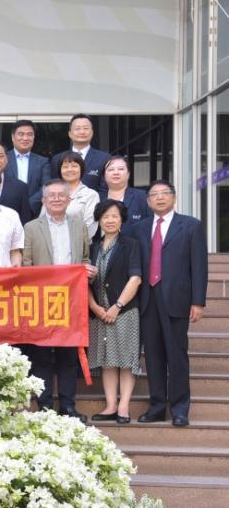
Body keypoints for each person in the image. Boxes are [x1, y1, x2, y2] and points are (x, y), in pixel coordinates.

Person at [136, 181, 207, 427]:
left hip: (177, 298)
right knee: (153, 355)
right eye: (154, 195)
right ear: (148, 201)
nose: (160, 198)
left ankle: (180, 409)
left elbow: (199, 265)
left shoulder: (191, 225)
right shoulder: (138, 228)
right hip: (147, 298)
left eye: (165, 193)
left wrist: (198, 301)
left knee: (176, 354)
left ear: (174, 198)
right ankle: (157, 407)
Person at [22, 179, 93, 423]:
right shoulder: (31, 227)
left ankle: (68, 405)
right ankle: (43, 405)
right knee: (41, 355)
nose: (56, 199)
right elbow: (26, 265)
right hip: (42, 299)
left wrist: (88, 271)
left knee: (68, 354)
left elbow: (84, 257)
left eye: (60, 195)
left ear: (69, 199)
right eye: (50, 195)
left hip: (72, 299)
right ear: (43, 200)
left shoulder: (79, 226)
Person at [88, 199, 143, 425]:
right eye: (105, 216)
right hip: (99, 312)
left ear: (122, 220)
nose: (110, 220)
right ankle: (111, 405)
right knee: (107, 360)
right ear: (99, 220)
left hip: (124, 310)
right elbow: (83, 281)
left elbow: (135, 278)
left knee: (126, 360)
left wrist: (117, 306)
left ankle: (123, 406)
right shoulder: (92, 247)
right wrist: (94, 306)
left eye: (114, 216)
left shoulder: (130, 245)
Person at [43, 151, 100, 238]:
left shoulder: (91, 195)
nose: (69, 170)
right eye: (65, 167)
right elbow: (41, 222)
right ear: (60, 170)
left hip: (79, 244)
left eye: (74, 166)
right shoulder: (50, 193)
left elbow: (90, 227)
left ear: (81, 169)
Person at [51, 114, 111, 192]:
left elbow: (106, 189)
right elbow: (55, 186)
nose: (82, 132)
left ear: (92, 132)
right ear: (70, 134)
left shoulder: (104, 158)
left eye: (86, 128)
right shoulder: (57, 159)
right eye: (77, 128)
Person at [6, 119, 51, 216]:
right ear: (13, 137)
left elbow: (46, 187)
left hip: (33, 212)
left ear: (34, 137)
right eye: (21, 134)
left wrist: (28, 205)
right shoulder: (3, 159)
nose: (25, 138)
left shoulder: (43, 162)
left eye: (29, 134)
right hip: (6, 210)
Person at [98, 155, 151, 230]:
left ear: (128, 174)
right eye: (111, 169)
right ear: (104, 176)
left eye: (121, 169)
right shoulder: (97, 198)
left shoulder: (142, 197)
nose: (116, 172)